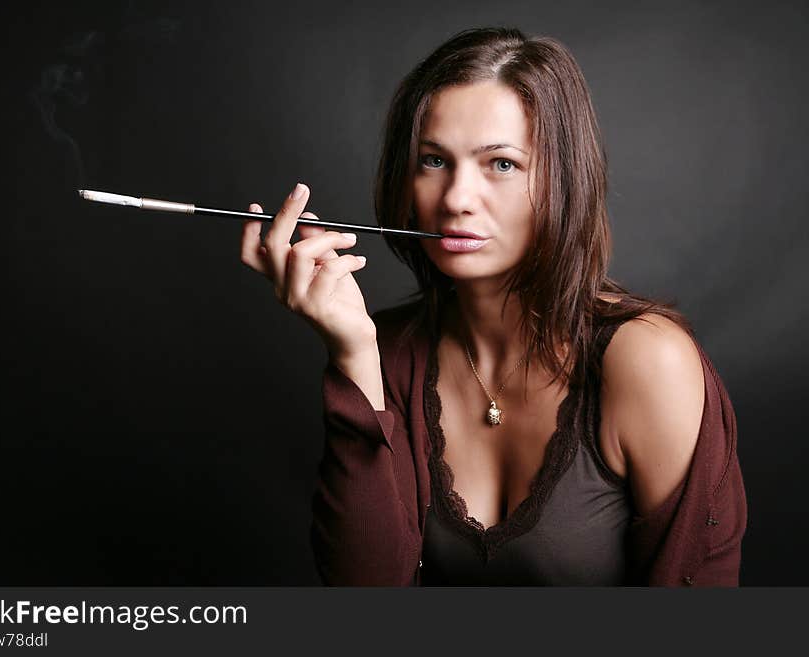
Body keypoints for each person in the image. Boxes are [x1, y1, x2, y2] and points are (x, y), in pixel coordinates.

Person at [239, 27, 747, 586]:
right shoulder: (388, 352)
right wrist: (354, 356)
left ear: (564, 180)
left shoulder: (647, 362)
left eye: (501, 164)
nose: (456, 198)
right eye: (434, 161)